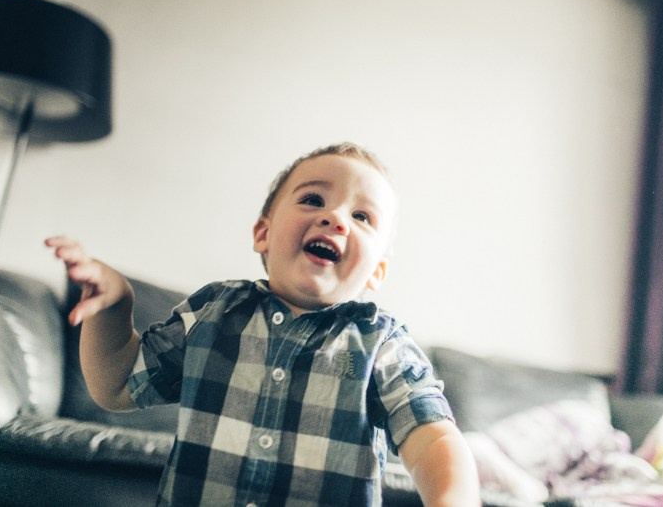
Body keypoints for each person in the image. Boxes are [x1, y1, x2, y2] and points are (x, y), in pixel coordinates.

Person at [46, 142, 480, 506]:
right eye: (313, 199)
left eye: (362, 217)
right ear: (262, 233)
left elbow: (434, 441)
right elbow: (118, 385)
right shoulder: (215, 311)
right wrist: (115, 305)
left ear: (376, 274)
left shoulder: (382, 344)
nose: (336, 219)